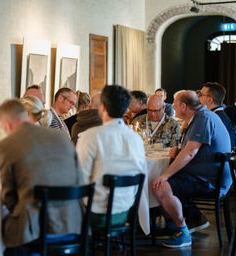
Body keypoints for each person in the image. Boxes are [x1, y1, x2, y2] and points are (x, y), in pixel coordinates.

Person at [0, 99, 83, 251]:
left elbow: (9, 195)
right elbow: (79, 178)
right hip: (73, 222)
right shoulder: (61, 136)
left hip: (36, 229)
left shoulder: (6, 145)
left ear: (7, 124)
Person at [152, 90, 231, 248]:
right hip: (205, 175)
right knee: (161, 180)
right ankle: (175, 224)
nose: (172, 106)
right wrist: (179, 151)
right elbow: (190, 150)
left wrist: (165, 176)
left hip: (209, 181)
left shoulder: (203, 118)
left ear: (183, 106)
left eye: (174, 103)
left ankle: (183, 232)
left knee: (161, 185)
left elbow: (190, 153)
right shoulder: (201, 116)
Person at [76, 85, 146, 229]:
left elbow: (80, 176)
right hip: (125, 210)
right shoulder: (136, 139)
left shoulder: (90, 136)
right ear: (126, 108)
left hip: (96, 213)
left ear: (102, 107)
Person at [198, 82, 235, 147]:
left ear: (209, 99)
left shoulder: (215, 118)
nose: (198, 96)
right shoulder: (217, 115)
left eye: (201, 94)